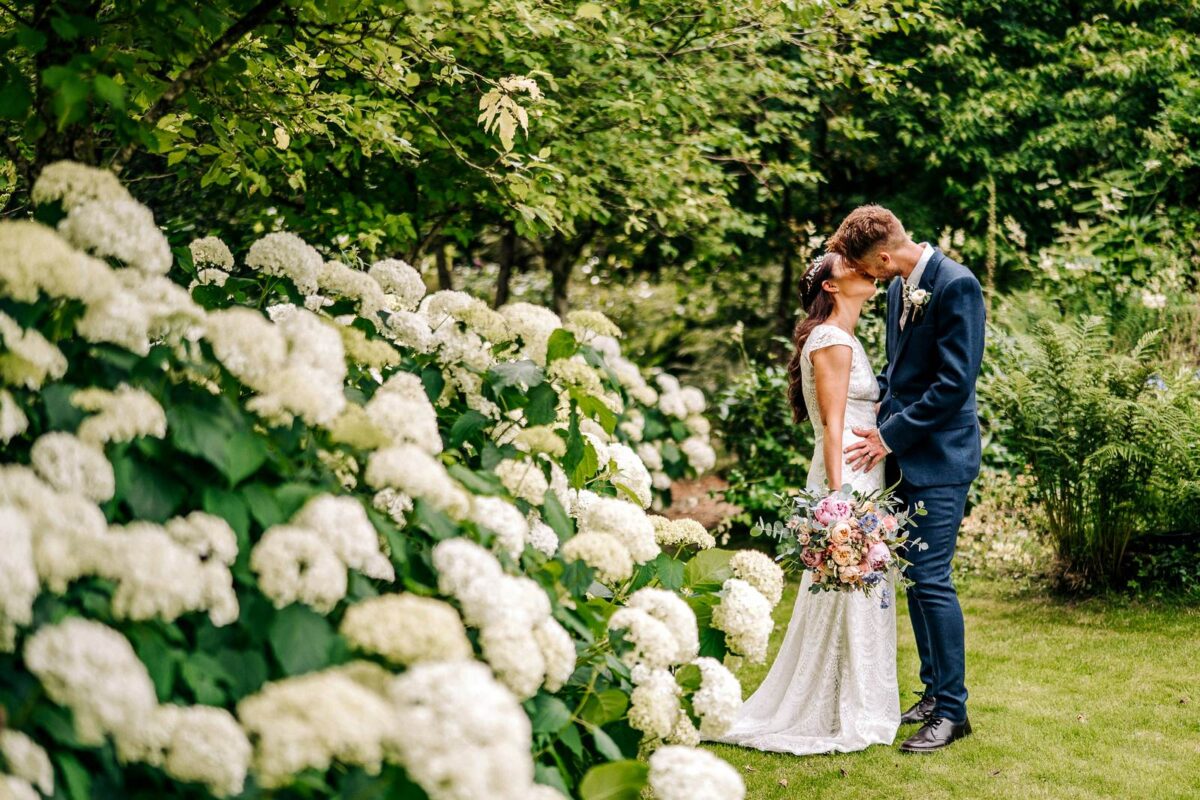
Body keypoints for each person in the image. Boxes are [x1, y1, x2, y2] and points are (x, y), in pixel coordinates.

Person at [714, 251, 901, 755]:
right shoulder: (834, 340)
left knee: (855, 589)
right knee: (849, 583)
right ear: (833, 286)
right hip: (849, 478)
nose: (864, 269)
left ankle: (851, 698)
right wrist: (839, 506)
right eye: (851, 266)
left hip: (860, 471)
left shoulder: (843, 337)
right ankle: (845, 706)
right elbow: (834, 426)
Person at [829, 204, 985, 753]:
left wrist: (891, 436)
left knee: (933, 580)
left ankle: (954, 711)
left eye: (871, 269)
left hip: (941, 460)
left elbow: (954, 384)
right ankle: (931, 692)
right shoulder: (902, 287)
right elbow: (902, 372)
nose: (871, 279)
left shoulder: (956, 285)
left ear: (886, 255)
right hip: (900, 458)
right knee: (916, 579)